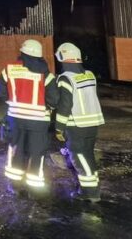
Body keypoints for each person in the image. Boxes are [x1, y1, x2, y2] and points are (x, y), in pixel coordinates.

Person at [0, 38, 58, 196]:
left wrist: (13, 102)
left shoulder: (10, 69)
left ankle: (15, 186)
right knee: (36, 153)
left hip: (16, 118)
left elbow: (1, 90)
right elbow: (54, 98)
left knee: (16, 151)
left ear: (22, 53)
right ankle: (34, 189)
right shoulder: (46, 74)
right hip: (39, 121)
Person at [54, 42, 105, 202]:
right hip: (93, 124)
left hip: (76, 126)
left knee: (80, 159)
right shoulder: (90, 75)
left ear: (63, 57)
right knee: (88, 156)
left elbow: (65, 105)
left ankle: (91, 194)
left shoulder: (65, 78)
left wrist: (59, 128)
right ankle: (89, 189)